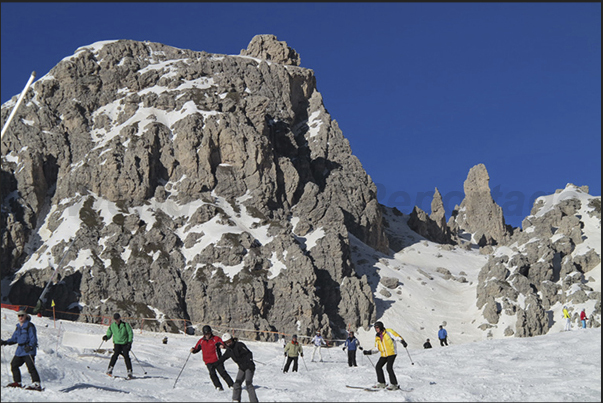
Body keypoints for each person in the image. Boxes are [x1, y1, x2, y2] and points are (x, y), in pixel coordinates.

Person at [1, 309, 41, 390]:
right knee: (14, 365)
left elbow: (33, 338)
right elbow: (14, 339)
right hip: (20, 350)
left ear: (26, 316)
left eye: (22, 315)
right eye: (19, 315)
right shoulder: (18, 327)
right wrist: (5, 342)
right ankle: (17, 382)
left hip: (28, 350)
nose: (20, 317)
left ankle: (36, 384)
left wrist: (30, 346)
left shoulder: (30, 326)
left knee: (30, 366)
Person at [363, 321, 407, 390]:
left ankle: (394, 384)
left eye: (377, 327)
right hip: (384, 354)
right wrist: (369, 352)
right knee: (378, 366)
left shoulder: (388, 332)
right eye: (375, 328)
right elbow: (377, 348)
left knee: (389, 367)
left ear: (380, 327)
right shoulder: (377, 336)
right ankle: (381, 383)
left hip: (391, 353)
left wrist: (402, 341)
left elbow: (397, 336)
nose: (376, 329)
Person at [217, 333, 258, 403]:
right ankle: (236, 400)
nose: (228, 343)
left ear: (232, 340)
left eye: (229, 341)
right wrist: (216, 364)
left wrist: (248, 359)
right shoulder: (229, 350)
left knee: (248, 383)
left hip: (249, 367)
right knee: (236, 384)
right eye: (226, 342)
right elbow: (223, 358)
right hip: (242, 368)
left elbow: (249, 353)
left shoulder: (239, 345)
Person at [190, 325, 234, 391]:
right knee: (212, 374)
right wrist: (193, 350)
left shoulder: (216, 339)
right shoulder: (201, 341)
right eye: (206, 334)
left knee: (223, 373)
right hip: (208, 361)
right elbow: (197, 348)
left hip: (217, 360)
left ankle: (231, 385)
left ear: (211, 332)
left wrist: (223, 346)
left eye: (208, 333)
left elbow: (224, 344)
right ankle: (218, 386)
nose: (207, 335)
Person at [103, 313, 134, 379]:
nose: (117, 320)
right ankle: (110, 369)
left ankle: (129, 371)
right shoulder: (112, 326)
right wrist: (106, 337)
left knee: (126, 356)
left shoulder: (125, 325)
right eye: (115, 319)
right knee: (115, 355)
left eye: (118, 318)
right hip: (117, 343)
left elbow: (130, 333)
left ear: (120, 318)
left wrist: (129, 342)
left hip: (125, 343)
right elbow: (109, 333)